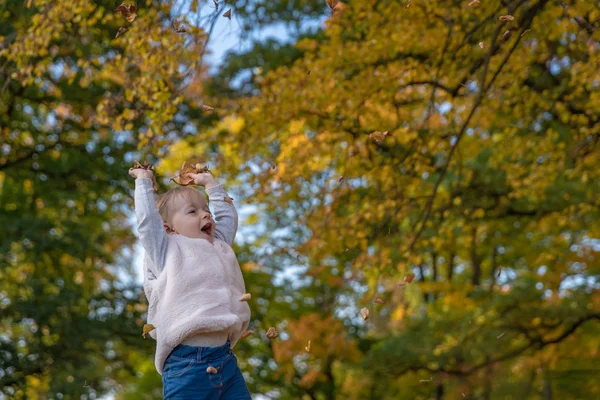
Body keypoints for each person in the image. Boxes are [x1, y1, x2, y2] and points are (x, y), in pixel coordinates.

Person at [128, 163, 252, 399]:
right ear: (168, 228)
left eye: (206, 210)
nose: (205, 214)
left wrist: (212, 186)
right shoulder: (165, 249)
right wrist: (143, 181)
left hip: (225, 360)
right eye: (192, 212)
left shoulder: (218, 243)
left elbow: (227, 216)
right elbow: (147, 223)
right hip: (187, 363)